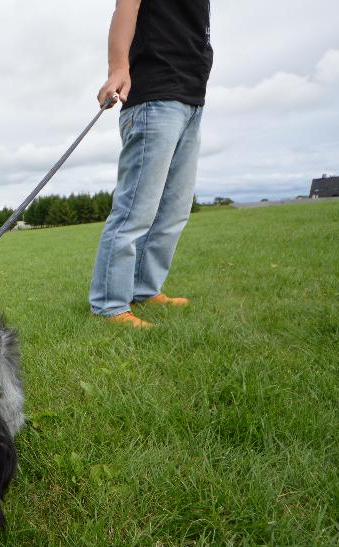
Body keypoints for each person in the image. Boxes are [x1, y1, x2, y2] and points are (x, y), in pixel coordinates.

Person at [89, 0, 213, 328]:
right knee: (135, 211)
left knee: (174, 211)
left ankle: (144, 289)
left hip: (191, 99)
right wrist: (118, 67)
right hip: (155, 96)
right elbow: (126, 6)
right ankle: (109, 304)